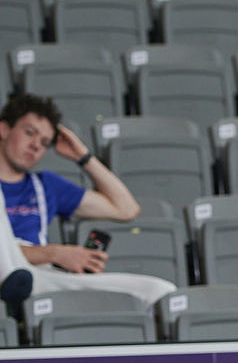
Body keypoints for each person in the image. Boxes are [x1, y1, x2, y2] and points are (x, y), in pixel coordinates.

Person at [0, 93, 174, 311]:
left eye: (45, 142)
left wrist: (83, 157)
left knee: (159, 290)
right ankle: (11, 277)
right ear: (4, 129)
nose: (36, 145)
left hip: (39, 278)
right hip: (17, 272)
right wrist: (55, 253)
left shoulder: (46, 185)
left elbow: (126, 209)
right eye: (29, 133)